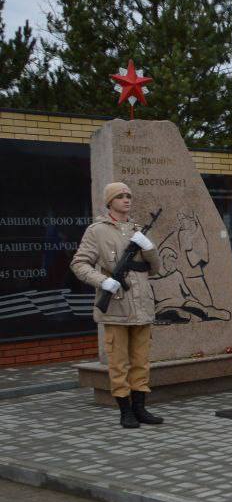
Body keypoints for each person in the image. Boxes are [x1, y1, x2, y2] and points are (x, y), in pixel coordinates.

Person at [71, 182, 164, 428]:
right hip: (116, 307)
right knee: (119, 362)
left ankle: (140, 408)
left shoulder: (137, 229)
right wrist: (104, 282)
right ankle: (125, 411)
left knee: (141, 361)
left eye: (129, 196)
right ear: (109, 201)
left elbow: (155, 269)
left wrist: (149, 248)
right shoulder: (97, 231)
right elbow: (79, 264)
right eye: (120, 196)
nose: (126, 200)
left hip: (141, 306)